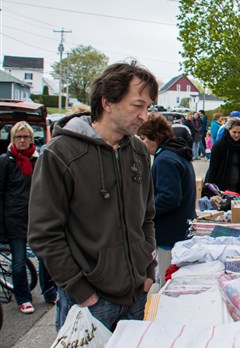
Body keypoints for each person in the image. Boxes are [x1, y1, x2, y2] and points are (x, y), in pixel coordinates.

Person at [28, 61, 159, 332]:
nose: (145, 116)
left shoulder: (138, 151)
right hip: (90, 302)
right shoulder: (60, 154)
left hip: (137, 294)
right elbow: (44, 234)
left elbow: (146, 217)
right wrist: (81, 291)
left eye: (148, 107)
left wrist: (148, 271)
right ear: (108, 102)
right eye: (138, 105)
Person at [0, 121, 57, 314]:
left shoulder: (38, 159)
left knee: (45, 259)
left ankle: (49, 292)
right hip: (14, 218)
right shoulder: (4, 161)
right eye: (18, 137)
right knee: (18, 263)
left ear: (32, 139)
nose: (22, 140)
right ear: (12, 139)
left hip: (36, 218)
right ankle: (23, 298)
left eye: (26, 137)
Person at [137, 114, 196, 286]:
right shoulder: (176, 153)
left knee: (166, 280)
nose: (141, 143)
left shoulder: (165, 160)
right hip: (179, 227)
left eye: (143, 138)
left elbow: (169, 197)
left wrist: (142, 210)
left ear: (155, 137)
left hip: (169, 232)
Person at [207, 118, 240, 194]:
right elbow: (213, 169)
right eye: (234, 132)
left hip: (238, 188)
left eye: (239, 132)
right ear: (228, 130)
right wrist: (212, 190)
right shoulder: (219, 146)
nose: (237, 135)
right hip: (222, 188)